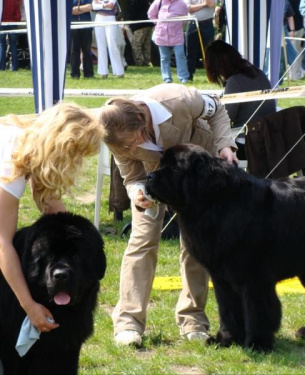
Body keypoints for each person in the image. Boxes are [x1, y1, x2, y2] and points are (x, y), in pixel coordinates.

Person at [98, 84, 238, 347]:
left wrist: (225, 144)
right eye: (126, 145)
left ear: (142, 117)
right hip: (154, 181)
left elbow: (217, 108)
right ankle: (129, 323)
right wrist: (138, 192)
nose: (133, 147)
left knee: (195, 244)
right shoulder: (112, 130)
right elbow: (131, 176)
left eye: (135, 139)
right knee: (141, 241)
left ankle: (193, 320)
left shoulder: (181, 99)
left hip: (196, 174)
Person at [0, 103, 105, 336]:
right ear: (60, 148)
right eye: (76, 153)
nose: (77, 162)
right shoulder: (11, 161)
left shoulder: (31, 143)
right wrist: (29, 306)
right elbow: (2, 244)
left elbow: (55, 212)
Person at [204, 40, 277, 160]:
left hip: (249, 141)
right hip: (269, 136)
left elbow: (226, 117)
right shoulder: (258, 72)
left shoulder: (235, 81)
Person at [148, 0, 190, 83]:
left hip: (177, 35)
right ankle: (166, 78)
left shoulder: (181, 4)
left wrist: (177, 26)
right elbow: (151, 15)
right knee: (164, 58)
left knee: (180, 56)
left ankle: (183, 77)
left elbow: (184, 18)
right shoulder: (158, 2)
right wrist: (159, 24)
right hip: (162, 35)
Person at [184, 0, 216, 81]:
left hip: (207, 24)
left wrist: (200, 5)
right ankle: (189, 75)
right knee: (190, 52)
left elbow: (211, 4)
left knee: (209, 52)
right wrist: (204, 4)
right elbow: (189, 9)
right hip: (192, 24)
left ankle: (212, 75)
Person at [92, 0, 125, 78]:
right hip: (98, 18)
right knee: (101, 46)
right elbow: (94, 6)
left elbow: (111, 6)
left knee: (112, 44)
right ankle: (103, 71)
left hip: (110, 18)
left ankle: (119, 71)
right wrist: (104, 5)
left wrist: (100, 4)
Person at [69, 0, 95, 79]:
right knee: (74, 51)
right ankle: (75, 74)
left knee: (87, 51)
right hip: (73, 26)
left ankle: (89, 74)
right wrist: (83, 9)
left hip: (86, 26)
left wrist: (77, 9)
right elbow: (70, 11)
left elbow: (90, 7)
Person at [126, 0, 154, 67]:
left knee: (136, 44)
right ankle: (147, 61)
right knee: (146, 45)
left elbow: (132, 13)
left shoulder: (135, 2)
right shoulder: (146, 2)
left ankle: (139, 62)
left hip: (140, 26)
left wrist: (127, 20)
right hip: (148, 24)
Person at [0, 0, 21, 71]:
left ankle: (2, 67)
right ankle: (14, 67)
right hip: (13, 22)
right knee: (13, 45)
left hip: (2, 22)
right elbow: (18, 13)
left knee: (2, 45)